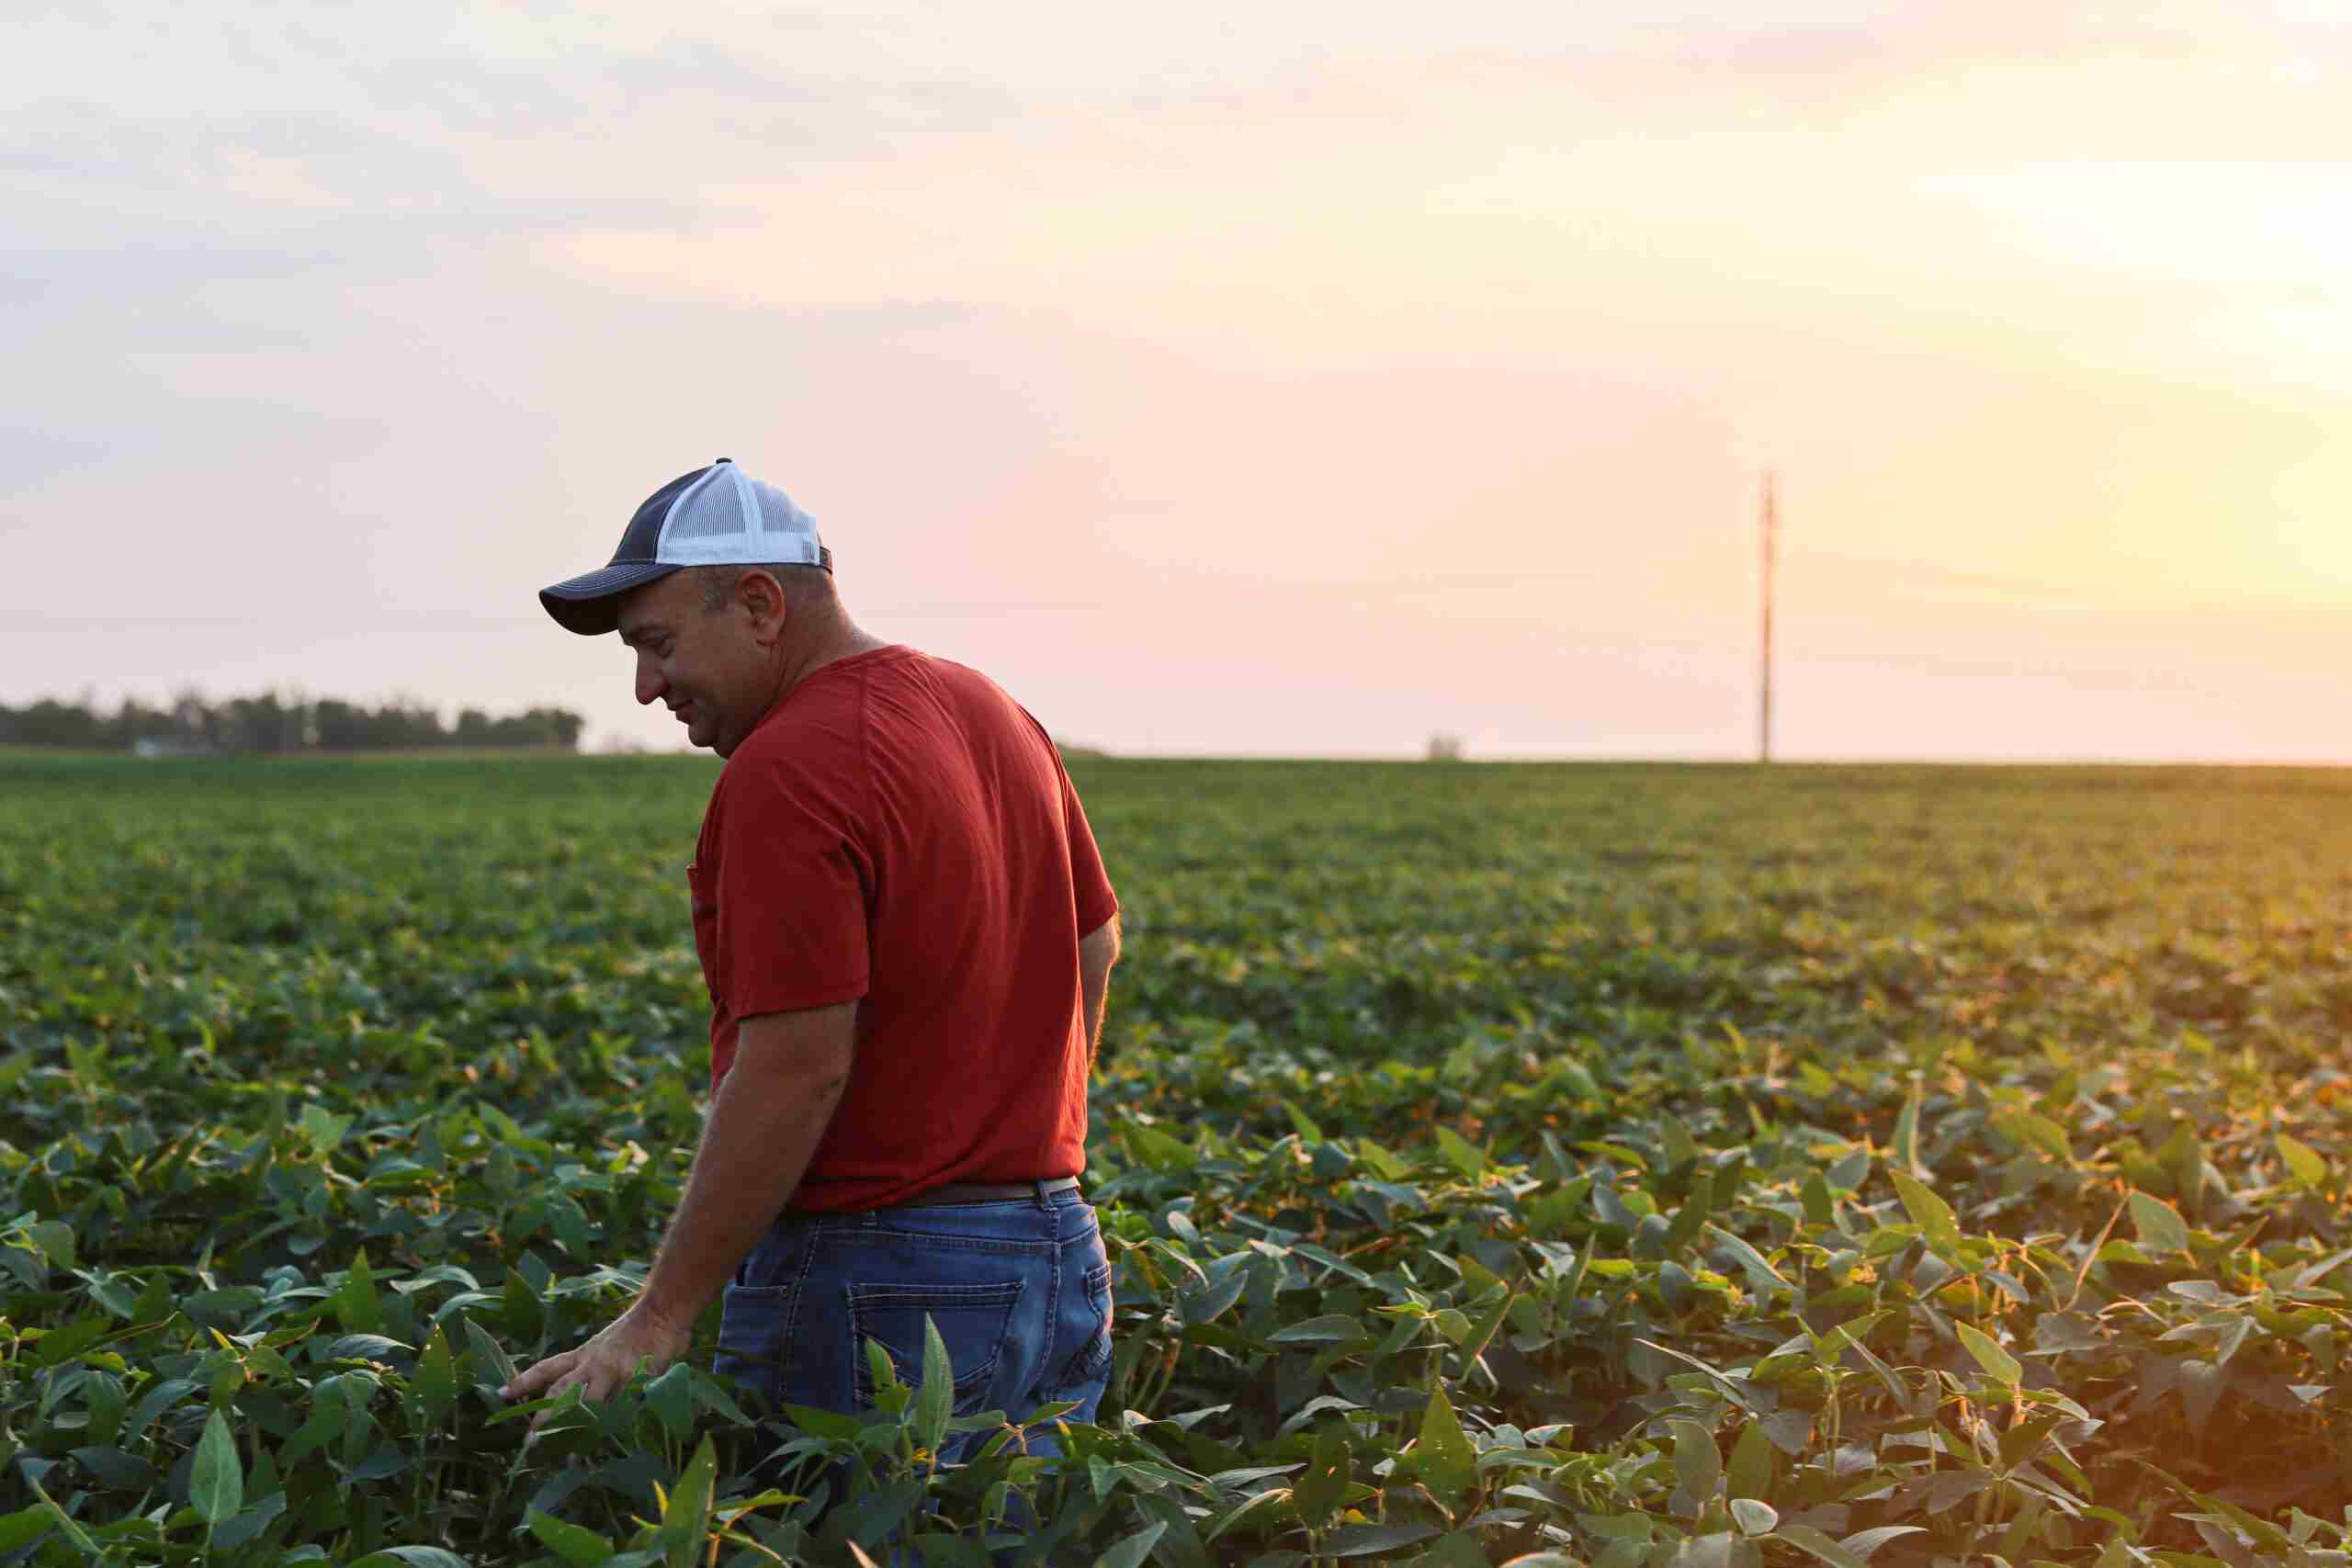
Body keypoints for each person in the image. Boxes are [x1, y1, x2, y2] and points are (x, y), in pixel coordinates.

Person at [502, 457, 1123, 1466]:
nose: (645, 686)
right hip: (1053, 1251)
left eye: (658, 645)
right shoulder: (997, 715)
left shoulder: (788, 767)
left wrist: (660, 1315)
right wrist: (1005, 1130)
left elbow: (797, 1063)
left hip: (881, 1275)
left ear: (757, 604)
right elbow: (1092, 942)